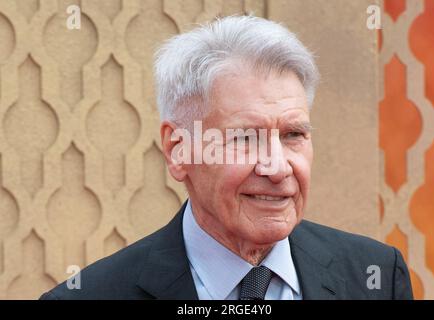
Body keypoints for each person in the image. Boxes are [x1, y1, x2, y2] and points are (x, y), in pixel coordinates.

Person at [40, 15, 413, 300]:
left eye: (293, 135)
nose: (278, 166)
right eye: (245, 138)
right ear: (178, 149)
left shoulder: (375, 275)